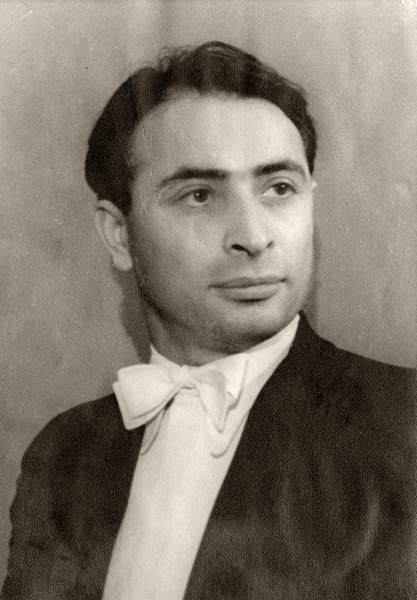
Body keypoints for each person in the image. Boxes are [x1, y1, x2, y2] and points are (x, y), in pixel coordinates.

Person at [1, 41, 416, 600]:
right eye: (199, 195)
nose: (253, 236)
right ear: (119, 235)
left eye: (279, 188)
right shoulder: (63, 455)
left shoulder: (404, 428)